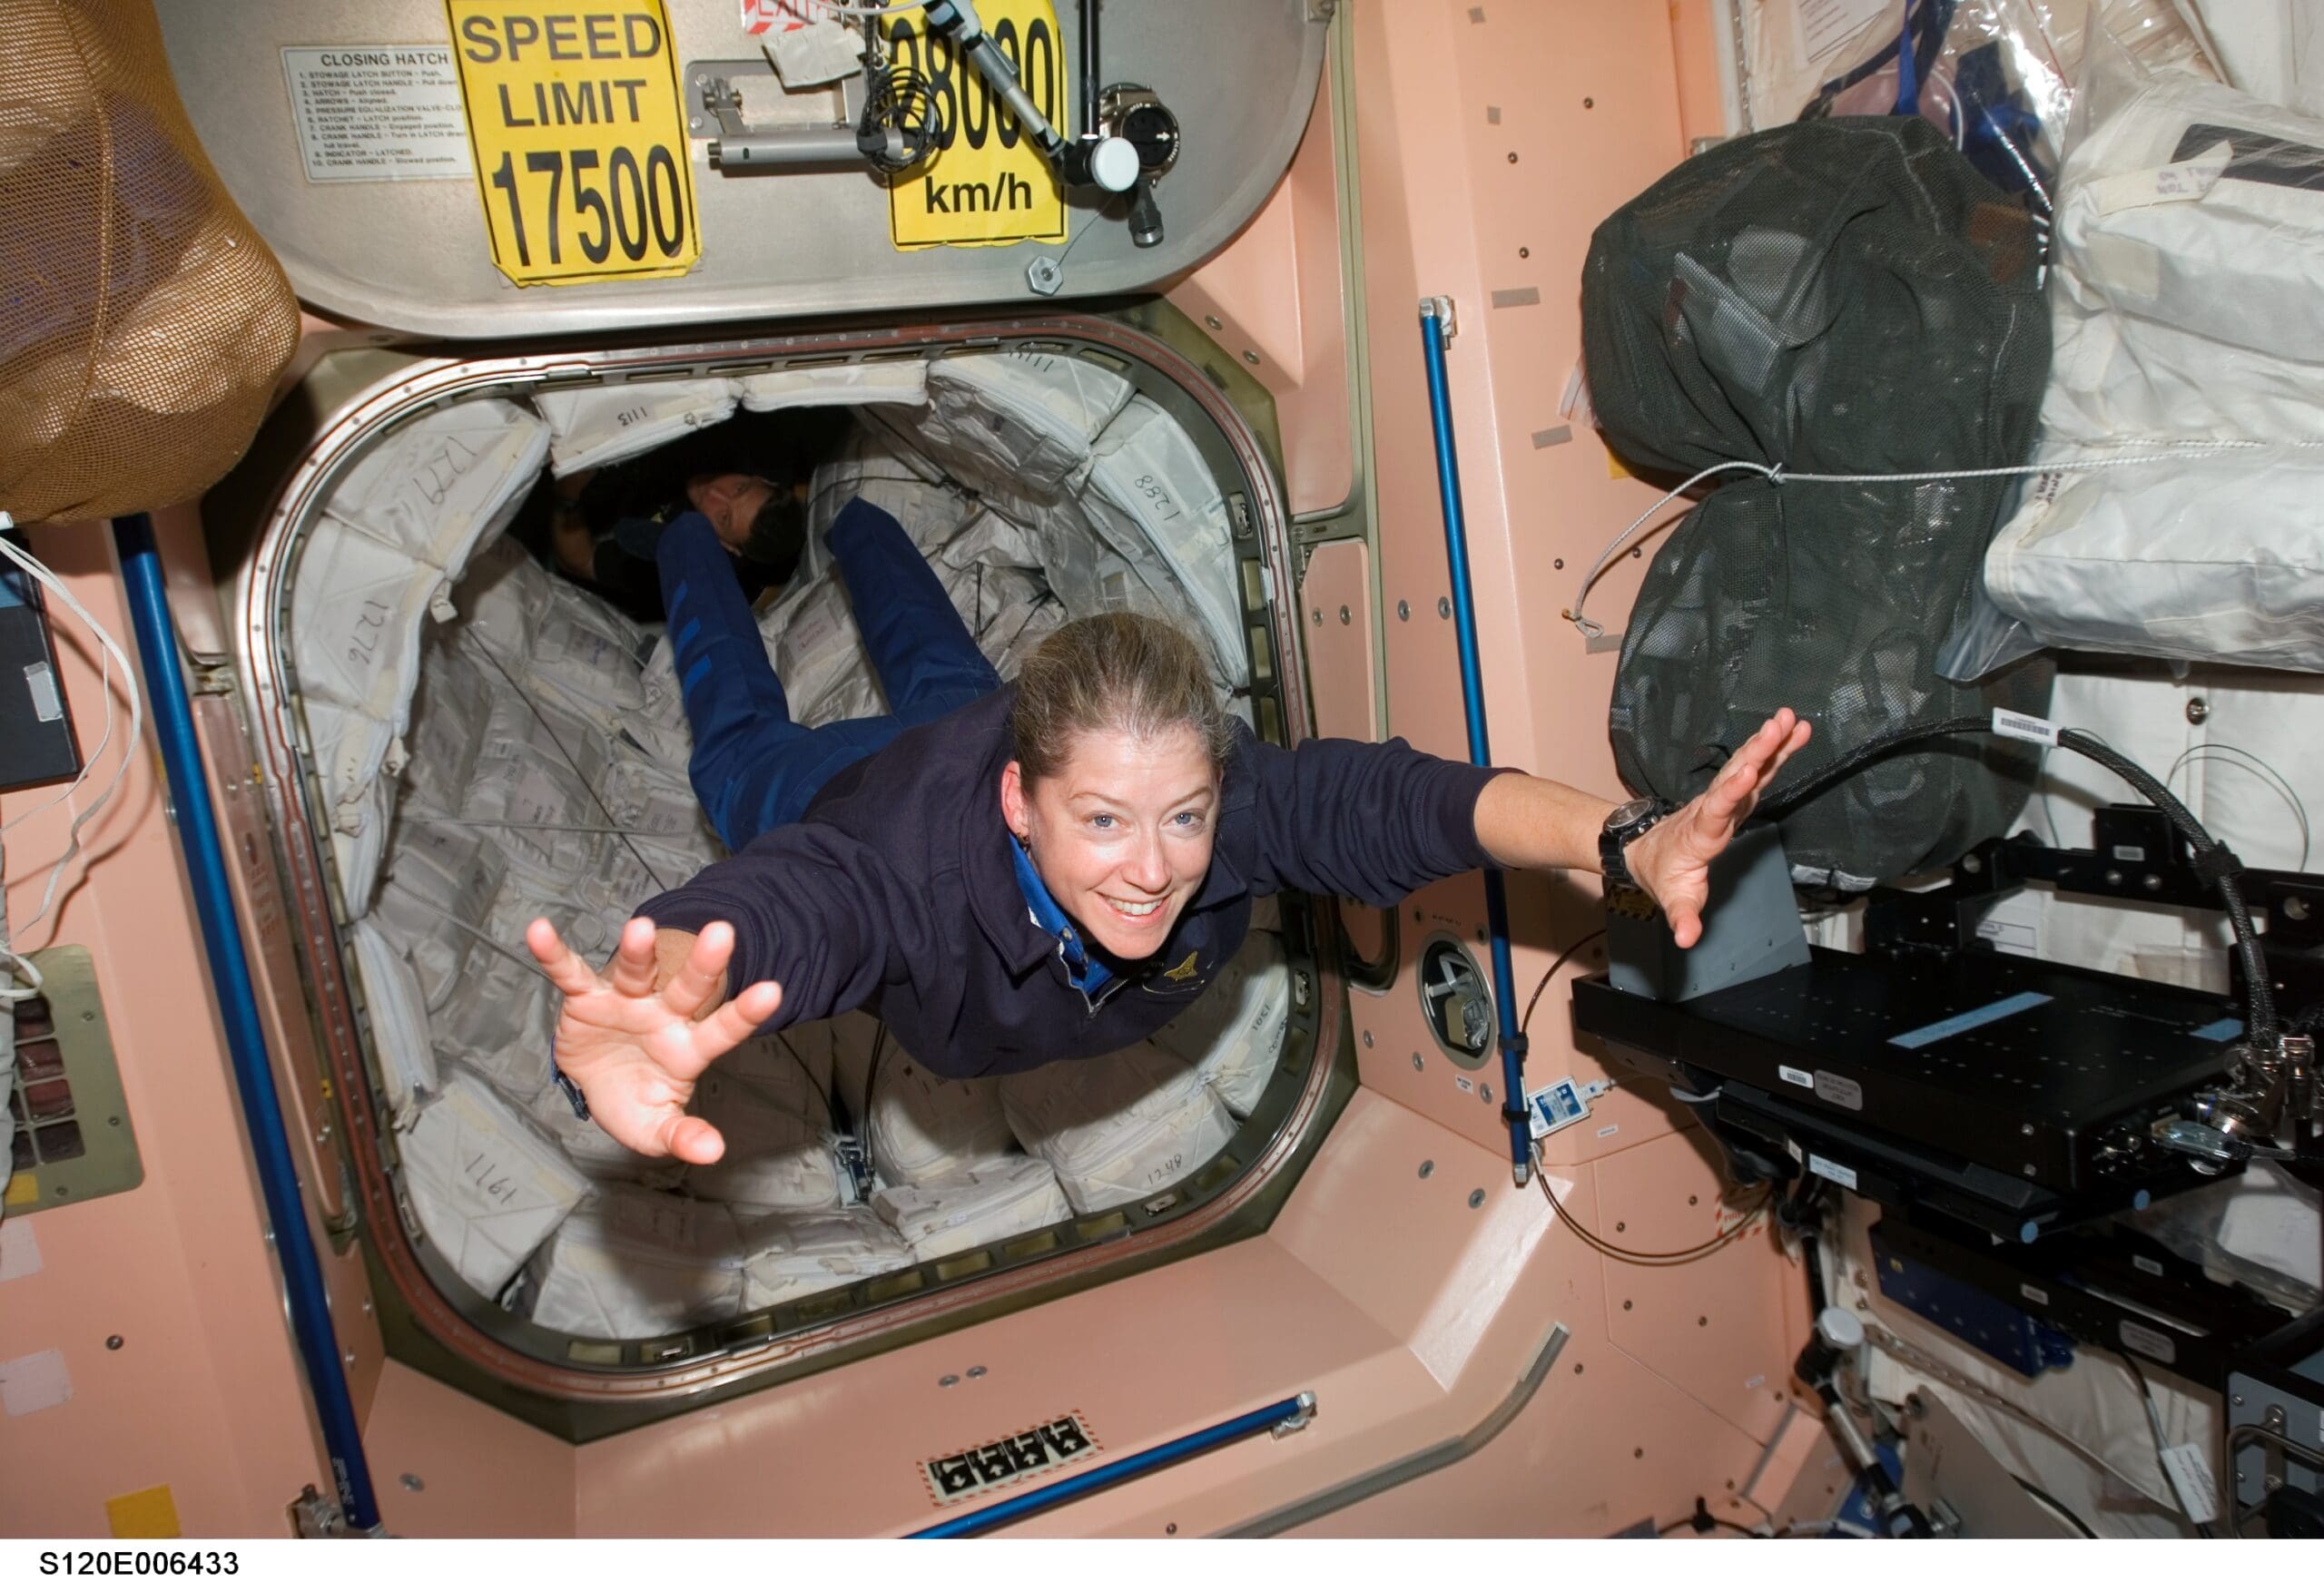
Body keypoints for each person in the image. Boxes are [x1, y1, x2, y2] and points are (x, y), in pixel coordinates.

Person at [526, 498, 1812, 1165]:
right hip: (858, 785)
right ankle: (685, 535)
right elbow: (809, 905)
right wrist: (677, 978)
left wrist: (1620, 841)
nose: (1154, 872)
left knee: (944, 673)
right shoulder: (903, 879)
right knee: (738, 752)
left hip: (991, 729)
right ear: (1018, 801)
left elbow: (1397, 802)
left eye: (1184, 817)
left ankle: (842, 512)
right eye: (1104, 822)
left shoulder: (1190, 807)